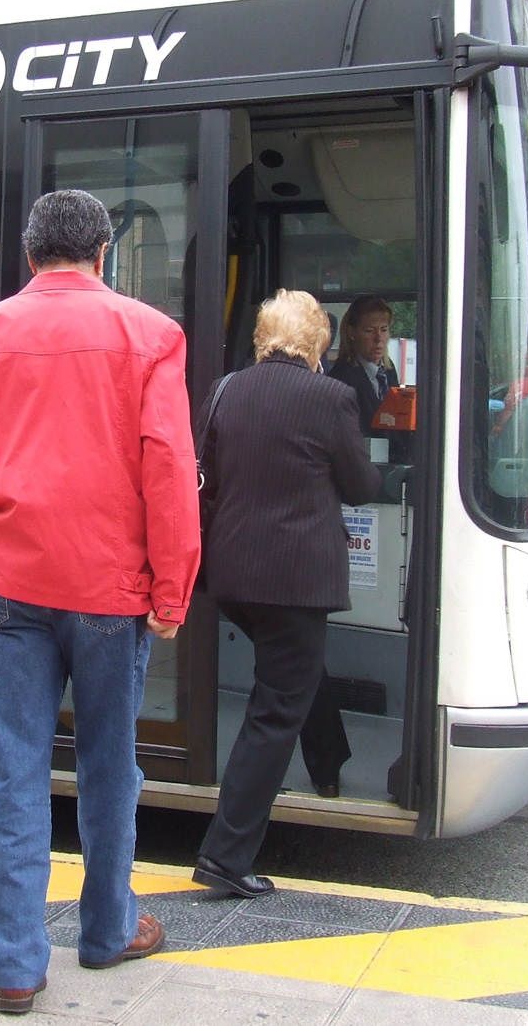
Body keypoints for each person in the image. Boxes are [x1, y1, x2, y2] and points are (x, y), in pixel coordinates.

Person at [0, 189, 200, 1016]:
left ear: (30, 254)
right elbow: (167, 472)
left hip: (11, 590)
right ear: (103, 253)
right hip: (113, 592)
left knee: (14, 769)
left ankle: (15, 965)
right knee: (110, 764)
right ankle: (107, 929)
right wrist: (172, 587)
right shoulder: (152, 335)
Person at [193, 289, 380, 899]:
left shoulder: (226, 391)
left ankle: (328, 762)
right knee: (275, 709)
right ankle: (225, 855)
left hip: (233, 577)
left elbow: (206, 477)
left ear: (263, 337)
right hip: (295, 582)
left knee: (294, 674)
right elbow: (360, 485)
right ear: (318, 343)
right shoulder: (331, 398)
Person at [328, 295, 404, 459]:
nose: (378, 339)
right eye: (369, 331)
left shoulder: (389, 370)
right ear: (352, 333)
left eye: (384, 330)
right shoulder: (342, 377)